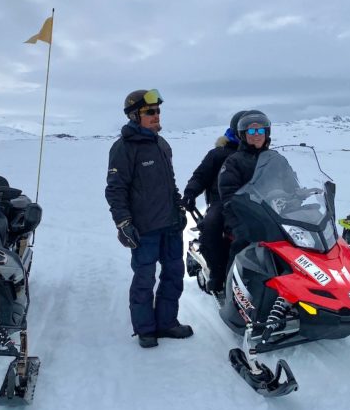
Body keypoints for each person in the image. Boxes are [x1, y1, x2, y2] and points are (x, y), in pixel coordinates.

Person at [105, 89, 193, 348]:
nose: (156, 116)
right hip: (144, 229)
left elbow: (170, 184)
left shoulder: (161, 144)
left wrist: (178, 209)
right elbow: (115, 189)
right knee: (144, 278)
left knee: (174, 274)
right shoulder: (123, 148)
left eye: (157, 111)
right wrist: (123, 223)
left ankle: (167, 323)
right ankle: (145, 330)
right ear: (135, 116)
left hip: (170, 226)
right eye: (150, 112)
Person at [182, 110, 245, 292]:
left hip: (257, 201)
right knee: (211, 226)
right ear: (237, 131)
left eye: (256, 131)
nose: (252, 134)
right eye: (247, 130)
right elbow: (200, 176)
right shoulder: (219, 154)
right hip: (222, 201)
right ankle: (218, 273)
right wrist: (190, 193)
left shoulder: (261, 154)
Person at [218, 110, 272, 265]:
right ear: (243, 134)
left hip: (273, 214)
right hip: (242, 215)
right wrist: (241, 206)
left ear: (266, 133)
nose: (256, 134)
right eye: (251, 130)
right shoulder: (233, 162)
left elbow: (290, 184)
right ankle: (231, 283)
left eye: (260, 130)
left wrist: (299, 195)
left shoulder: (275, 158)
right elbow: (228, 193)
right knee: (244, 239)